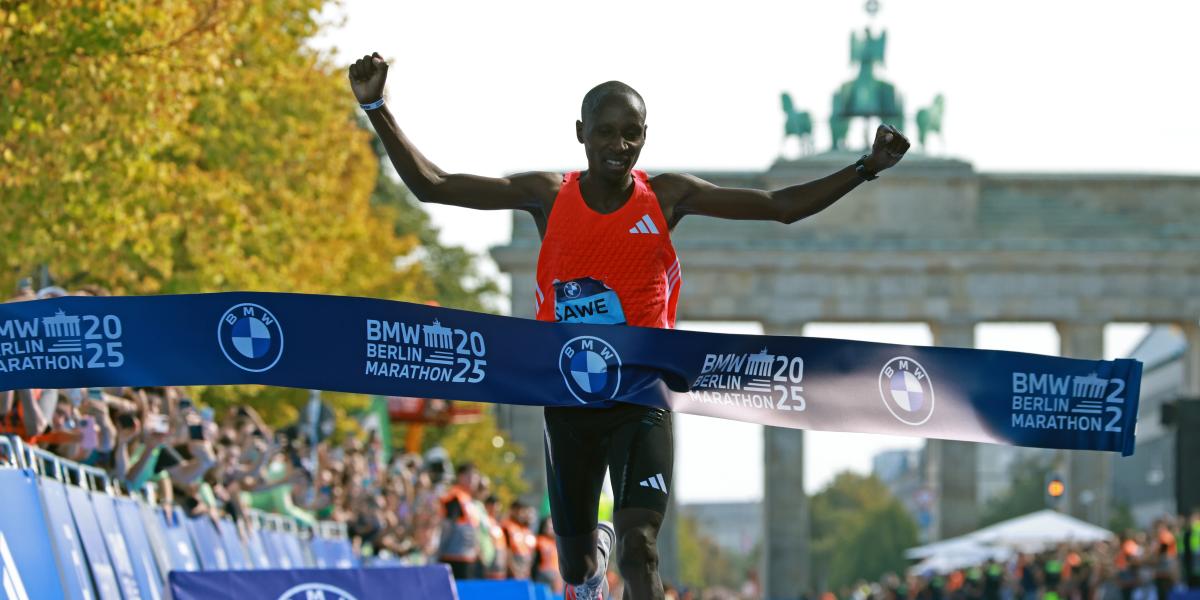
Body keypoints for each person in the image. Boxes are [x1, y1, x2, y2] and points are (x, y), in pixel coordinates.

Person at [348, 52, 909, 600]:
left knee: (640, 550)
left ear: (645, 137)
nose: (618, 147)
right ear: (580, 133)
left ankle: (617, 554)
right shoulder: (547, 195)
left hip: (643, 395)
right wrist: (376, 106)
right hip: (568, 397)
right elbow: (434, 185)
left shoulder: (667, 196)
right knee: (574, 560)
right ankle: (586, 578)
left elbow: (779, 206)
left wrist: (865, 169)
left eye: (631, 134)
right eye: (605, 133)